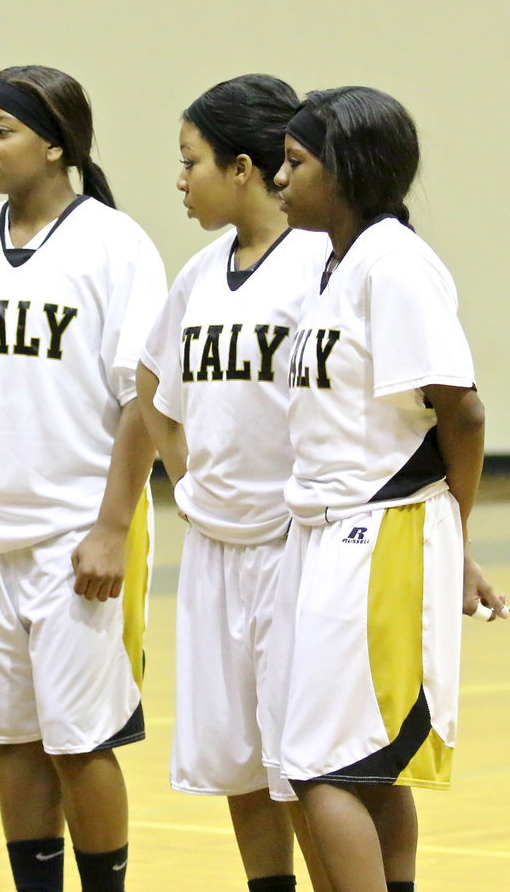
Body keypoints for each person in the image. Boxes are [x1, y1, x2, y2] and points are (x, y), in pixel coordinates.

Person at [271, 86, 507, 892]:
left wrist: (454, 535)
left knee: (322, 767)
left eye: (295, 163)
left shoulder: (397, 265)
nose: (278, 177)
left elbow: (463, 411)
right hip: (337, 531)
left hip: (383, 528)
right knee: (368, 763)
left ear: (346, 172)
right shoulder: (336, 264)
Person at [0, 65, 166, 892]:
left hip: (81, 534)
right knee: (14, 733)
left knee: (82, 739)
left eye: (0, 129)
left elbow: (140, 402)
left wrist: (112, 525)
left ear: (55, 143)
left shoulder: (115, 245)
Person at [136, 74, 334, 892]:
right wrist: (186, 480)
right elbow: (152, 386)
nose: (181, 181)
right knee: (240, 762)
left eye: (192, 162)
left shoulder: (322, 263)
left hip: (299, 547)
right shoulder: (200, 273)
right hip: (217, 550)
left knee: (310, 765)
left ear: (244, 166)